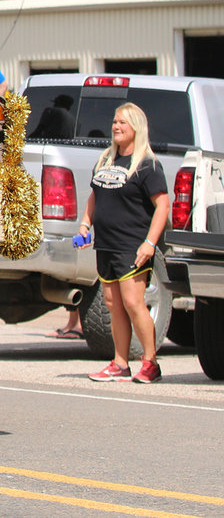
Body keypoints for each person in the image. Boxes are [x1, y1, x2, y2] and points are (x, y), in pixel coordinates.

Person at [77, 102, 169, 383]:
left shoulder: (147, 164)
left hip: (133, 245)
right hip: (105, 244)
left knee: (133, 302)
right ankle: (119, 362)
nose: (116, 127)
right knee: (112, 303)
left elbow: (163, 205)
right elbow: (95, 196)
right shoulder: (106, 159)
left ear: (136, 128)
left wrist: (149, 243)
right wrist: (85, 224)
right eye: (115, 122)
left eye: (123, 123)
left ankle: (150, 363)